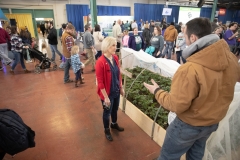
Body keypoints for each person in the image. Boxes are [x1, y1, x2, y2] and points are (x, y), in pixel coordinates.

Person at [144, 17, 240, 160]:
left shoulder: (190, 69)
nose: (183, 37)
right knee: (196, 155)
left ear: (193, 38)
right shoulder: (231, 59)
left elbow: (176, 105)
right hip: (211, 123)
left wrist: (157, 91)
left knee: (168, 157)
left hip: (189, 125)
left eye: (185, 34)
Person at [95, 36, 125, 141]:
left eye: (115, 45)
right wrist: (106, 97)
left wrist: (121, 87)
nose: (115, 47)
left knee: (115, 109)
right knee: (107, 112)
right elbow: (100, 82)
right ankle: (106, 129)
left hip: (116, 90)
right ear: (107, 47)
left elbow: (118, 74)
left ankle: (114, 124)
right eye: (113, 45)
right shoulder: (100, 62)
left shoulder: (115, 58)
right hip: (106, 94)